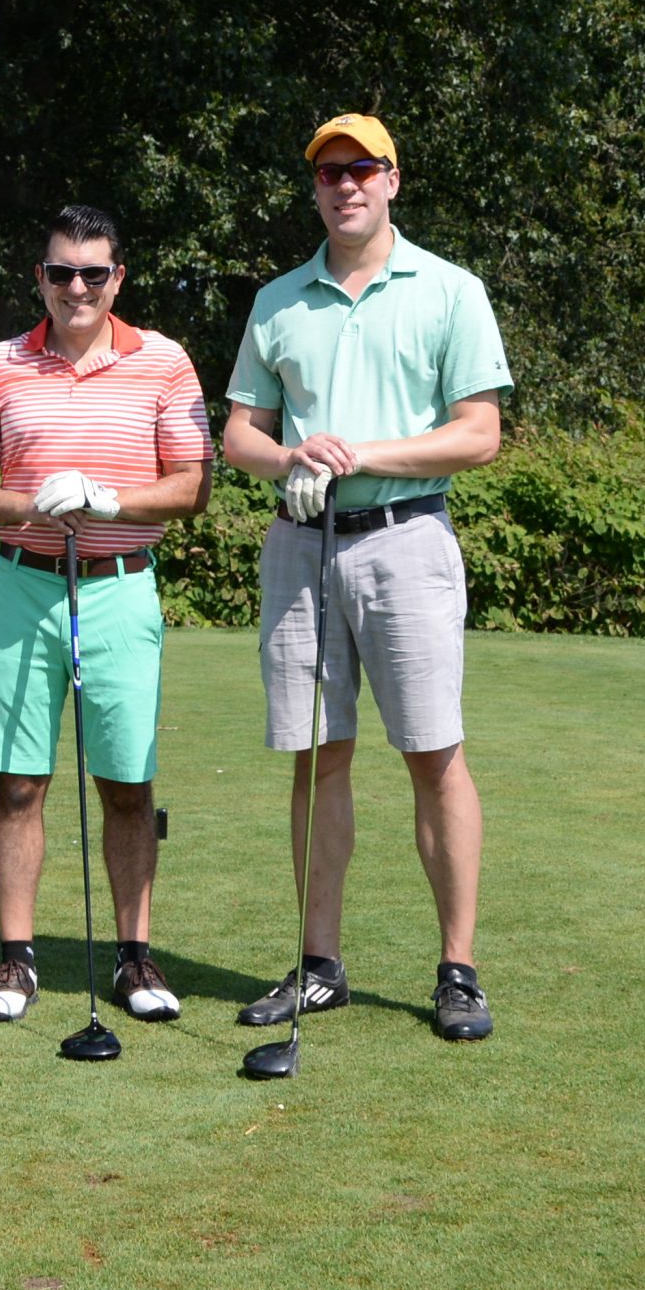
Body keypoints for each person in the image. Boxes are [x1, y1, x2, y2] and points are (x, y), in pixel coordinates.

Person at [220, 113, 512, 1041]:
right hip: (300, 543)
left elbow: (479, 433)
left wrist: (362, 454)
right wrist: (289, 458)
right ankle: (319, 966)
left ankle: (458, 970)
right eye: (328, 172)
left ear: (392, 179)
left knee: (433, 752)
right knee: (317, 756)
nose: (345, 184)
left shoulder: (450, 290)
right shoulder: (279, 300)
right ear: (315, 188)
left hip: (406, 539)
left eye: (361, 168)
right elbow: (239, 435)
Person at [0, 205, 213, 1025]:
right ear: (41, 278)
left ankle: (134, 956)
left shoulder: (163, 360)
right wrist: (29, 502)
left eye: (94, 272)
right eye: (62, 272)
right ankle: (16, 959)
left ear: (117, 278)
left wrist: (111, 501)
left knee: (127, 782)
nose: (78, 287)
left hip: (119, 585)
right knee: (19, 781)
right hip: (22, 584)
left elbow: (192, 485)